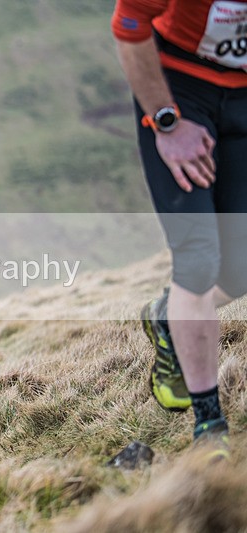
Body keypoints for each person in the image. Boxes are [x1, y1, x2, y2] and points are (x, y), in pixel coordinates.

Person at [112, 0, 247, 461]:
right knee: (198, 259)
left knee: (240, 272)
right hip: (178, 89)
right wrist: (166, 124)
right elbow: (129, 25)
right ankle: (210, 428)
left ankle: (167, 315)